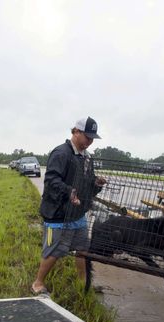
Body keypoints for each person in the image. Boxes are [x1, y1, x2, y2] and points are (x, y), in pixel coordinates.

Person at [31, 117, 107, 295]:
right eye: (87, 137)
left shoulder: (87, 158)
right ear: (75, 132)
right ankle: (38, 283)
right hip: (57, 214)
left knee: (82, 249)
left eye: (92, 138)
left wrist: (96, 184)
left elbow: (87, 184)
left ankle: (83, 283)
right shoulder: (61, 153)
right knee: (54, 250)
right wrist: (69, 192)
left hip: (77, 214)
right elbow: (51, 180)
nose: (90, 141)